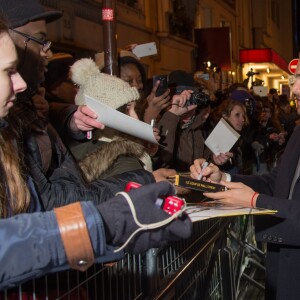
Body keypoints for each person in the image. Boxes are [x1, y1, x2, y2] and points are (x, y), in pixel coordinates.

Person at [0, 17, 193, 289]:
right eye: (8, 71)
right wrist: (107, 223)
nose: (19, 84)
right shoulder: (18, 134)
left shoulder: (25, 123)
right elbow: (43, 209)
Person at [2, 0, 174, 210]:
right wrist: (142, 181)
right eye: (40, 41)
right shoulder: (13, 123)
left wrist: (71, 119)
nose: (47, 52)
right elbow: (47, 200)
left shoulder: (33, 109)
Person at [189, 59, 300, 299]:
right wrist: (224, 178)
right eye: (295, 78)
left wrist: (255, 201)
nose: (295, 88)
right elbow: (277, 182)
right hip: (284, 271)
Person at [153, 70, 233, 172]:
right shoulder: (159, 124)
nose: (186, 108)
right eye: (181, 102)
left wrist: (214, 159)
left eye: (190, 101)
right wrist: (173, 114)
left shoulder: (196, 127)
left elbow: (202, 161)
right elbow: (161, 162)